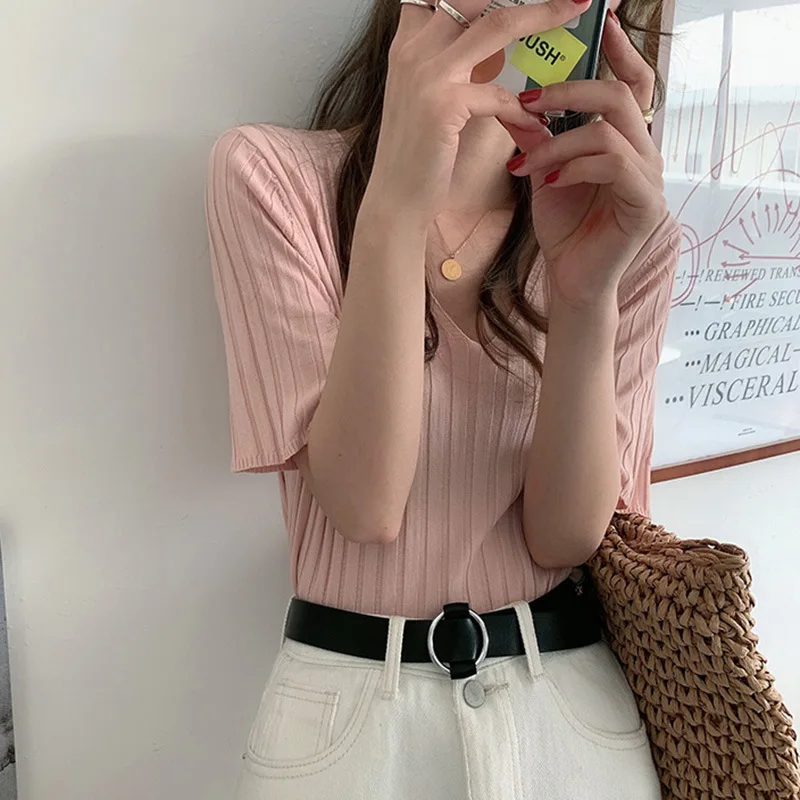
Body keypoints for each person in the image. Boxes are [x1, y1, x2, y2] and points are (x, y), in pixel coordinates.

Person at [205, 0, 680, 796]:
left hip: (568, 712)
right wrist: (395, 207)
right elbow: (363, 506)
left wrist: (585, 294)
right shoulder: (272, 179)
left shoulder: (629, 225)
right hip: (351, 717)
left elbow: (564, 536)